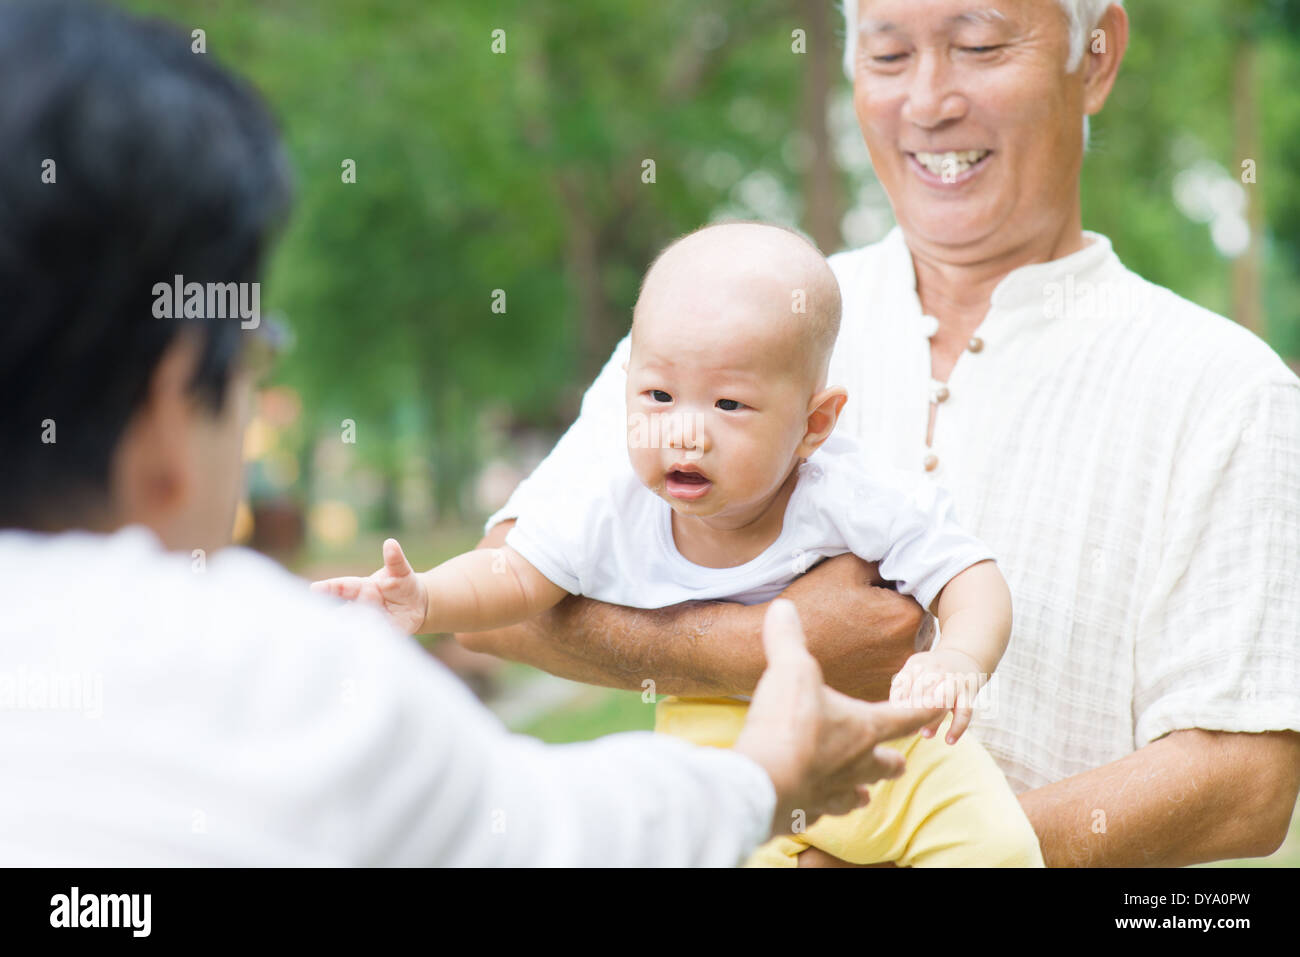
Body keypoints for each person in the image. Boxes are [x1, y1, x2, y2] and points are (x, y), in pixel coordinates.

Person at [0, 0, 943, 867]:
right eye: (252, 350)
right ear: (173, 403)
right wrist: (768, 773)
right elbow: (543, 831)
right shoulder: (272, 679)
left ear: (816, 424)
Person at [460, 0, 1300, 866]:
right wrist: (758, 646)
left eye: (977, 46)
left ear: (1096, 56)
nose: (929, 101)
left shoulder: (1227, 390)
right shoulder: (729, 316)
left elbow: (1246, 780)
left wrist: (941, 854)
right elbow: (498, 609)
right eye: (889, 54)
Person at [314, 221, 1041, 866]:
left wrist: (956, 656)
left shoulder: (846, 491)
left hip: (888, 742)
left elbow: (969, 574)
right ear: (627, 388)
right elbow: (514, 575)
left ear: (814, 424)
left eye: (729, 404)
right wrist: (425, 597)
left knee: (999, 848)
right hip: (721, 744)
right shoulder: (611, 505)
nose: (685, 431)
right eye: (659, 397)